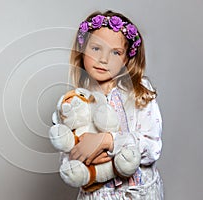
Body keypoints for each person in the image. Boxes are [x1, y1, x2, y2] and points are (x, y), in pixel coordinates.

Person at [52, 10, 164, 199]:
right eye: (96, 48)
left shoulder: (139, 92)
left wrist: (107, 140)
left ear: (127, 58)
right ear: (82, 49)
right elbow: (67, 153)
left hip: (139, 194)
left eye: (116, 52)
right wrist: (82, 159)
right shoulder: (74, 102)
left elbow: (152, 147)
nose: (103, 59)